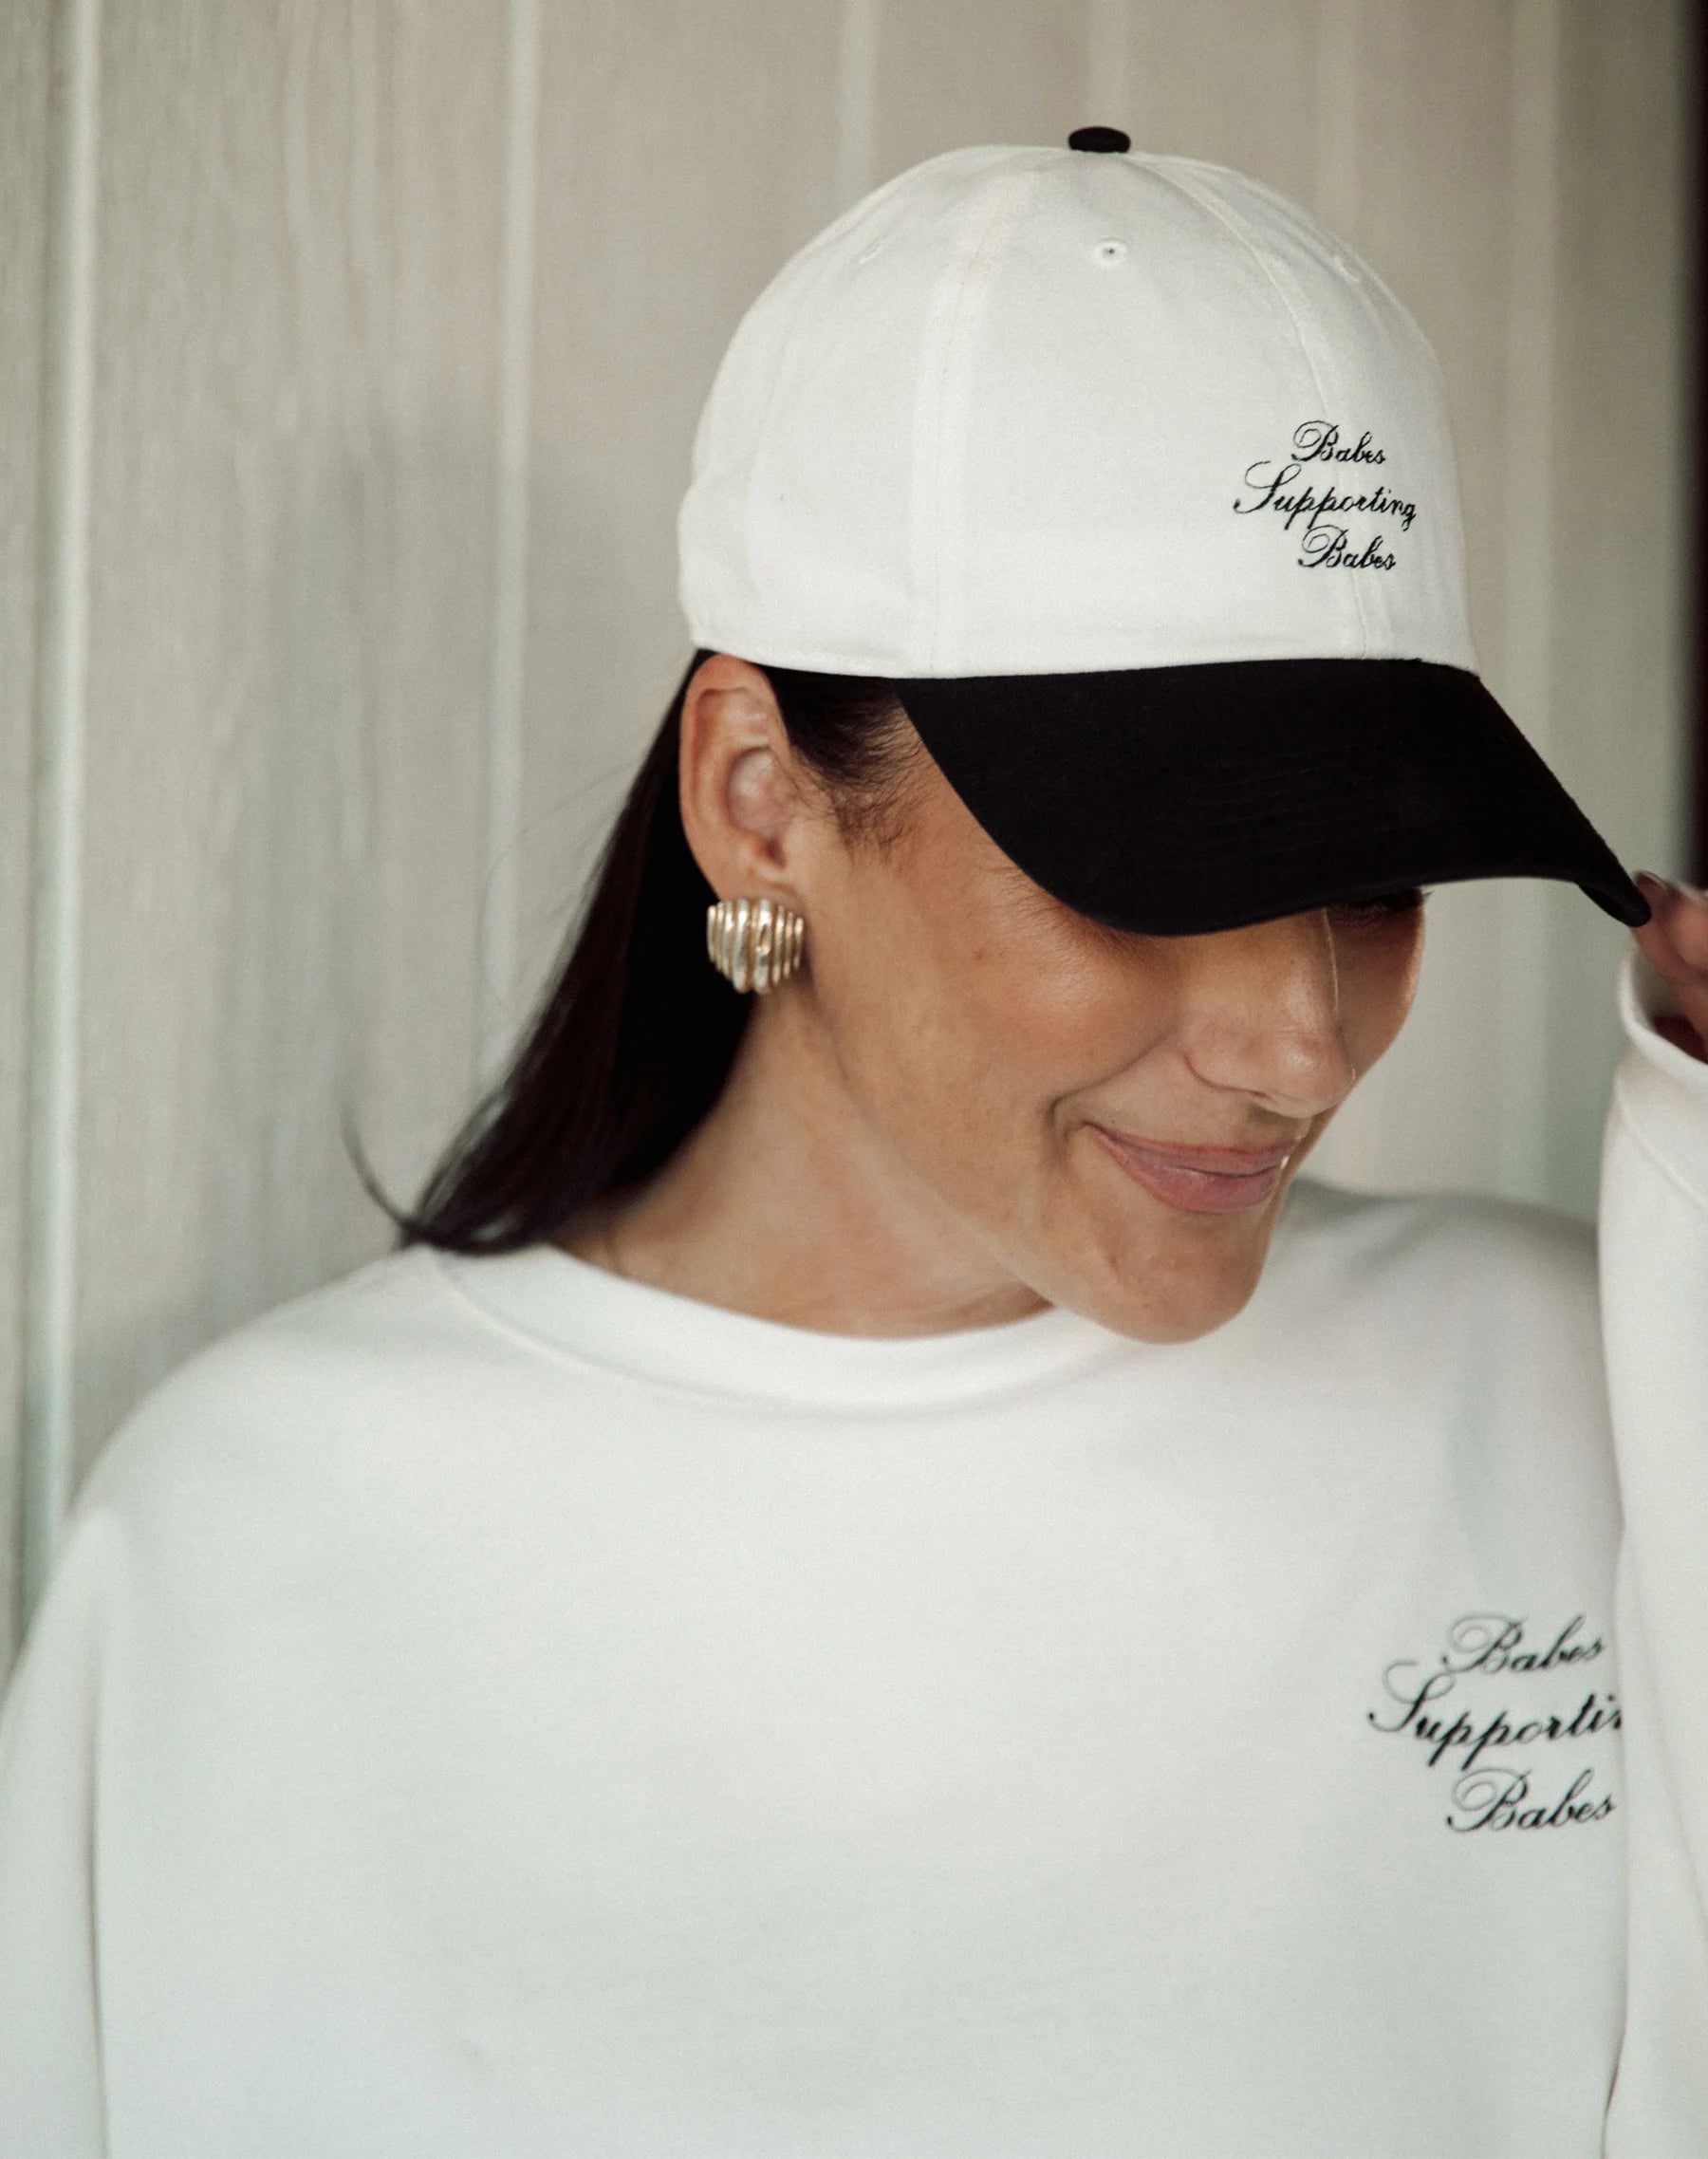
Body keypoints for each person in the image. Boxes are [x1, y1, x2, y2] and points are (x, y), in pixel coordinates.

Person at [1, 133, 1704, 2159]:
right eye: (1158, 878)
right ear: (759, 797)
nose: (1304, 1040)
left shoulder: (1592, 1390)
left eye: (1381, 878)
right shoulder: (246, 1554)